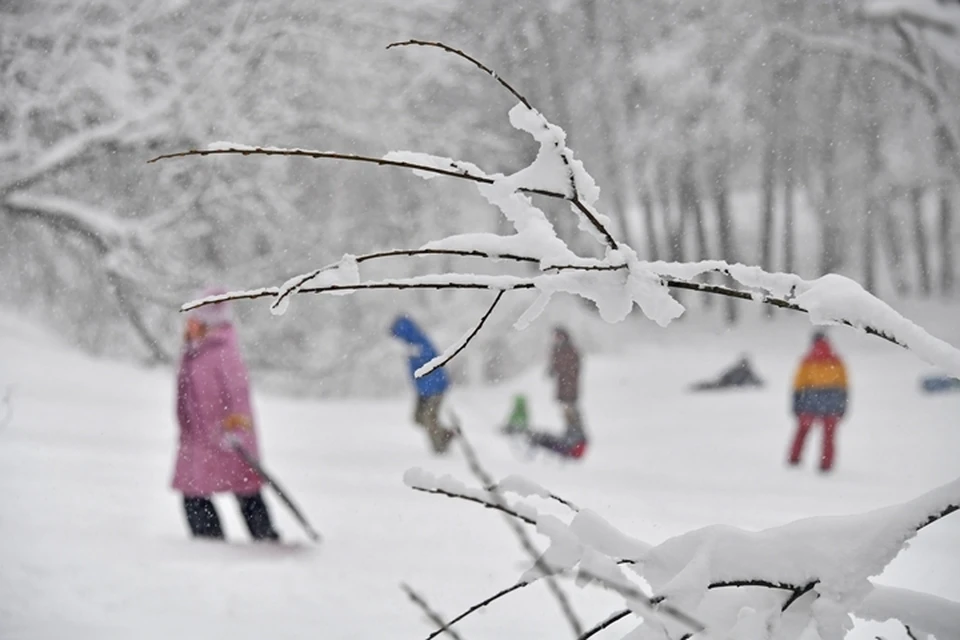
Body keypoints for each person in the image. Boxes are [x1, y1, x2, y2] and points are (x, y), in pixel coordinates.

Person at [172, 290, 280, 541]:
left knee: (245, 488)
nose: (188, 324)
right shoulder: (194, 350)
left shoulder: (223, 351)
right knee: (193, 490)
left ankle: (264, 538)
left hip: (226, 436)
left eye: (194, 319)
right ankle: (207, 541)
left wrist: (238, 430)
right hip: (198, 438)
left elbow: (238, 394)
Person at [390, 314, 456, 454]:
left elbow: (430, 364)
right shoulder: (410, 344)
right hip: (423, 390)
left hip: (435, 388)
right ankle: (445, 434)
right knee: (418, 418)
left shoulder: (418, 343)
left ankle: (440, 449)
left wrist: (429, 385)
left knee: (428, 418)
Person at [788, 330, 849, 473]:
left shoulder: (807, 360)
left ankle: (794, 459)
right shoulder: (837, 360)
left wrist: (796, 405)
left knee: (802, 432)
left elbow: (798, 384)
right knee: (829, 435)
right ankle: (826, 463)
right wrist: (842, 406)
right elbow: (843, 384)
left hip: (810, 399)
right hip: (832, 401)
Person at [690, 355, 764, 391]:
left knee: (712, 385)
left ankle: (699, 386)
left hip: (727, 383)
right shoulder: (740, 370)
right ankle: (698, 386)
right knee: (712, 385)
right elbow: (728, 375)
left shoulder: (745, 371)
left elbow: (755, 380)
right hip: (727, 383)